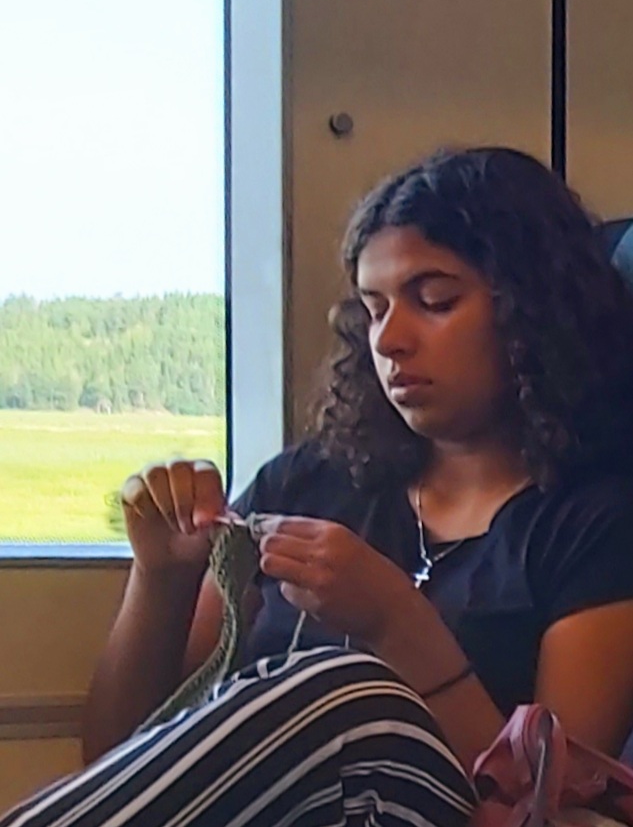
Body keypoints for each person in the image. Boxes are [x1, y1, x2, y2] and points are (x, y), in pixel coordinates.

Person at [6, 145, 633, 826]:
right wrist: (160, 581)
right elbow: (118, 759)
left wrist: (396, 624)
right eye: (374, 310)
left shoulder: (597, 526)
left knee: (349, 692)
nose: (389, 340)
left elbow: (550, 811)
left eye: (434, 302)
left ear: (532, 312)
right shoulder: (308, 480)